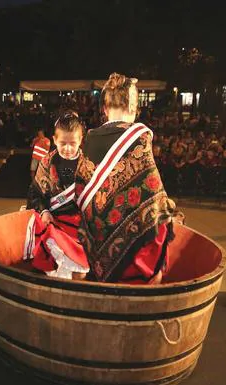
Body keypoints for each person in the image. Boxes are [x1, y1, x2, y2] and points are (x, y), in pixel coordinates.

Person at [75, 73, 182, 284]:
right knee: (164, 214)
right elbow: (153, 195)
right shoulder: (140, 136)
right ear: (133, 106)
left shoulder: (90, 137)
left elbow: (81, 190)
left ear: (105, 108)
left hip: (96, 241)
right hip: (133, 261)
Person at [24, 112, 89, 280]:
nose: (67, 148)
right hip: (53, 220)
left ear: (81, 140)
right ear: (54, 139)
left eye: (73, 143)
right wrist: (44, 211)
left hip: (80, 224)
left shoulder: (88, 164)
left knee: (80, 271)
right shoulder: (47, 162)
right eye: (62, 143)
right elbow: (35, 192)